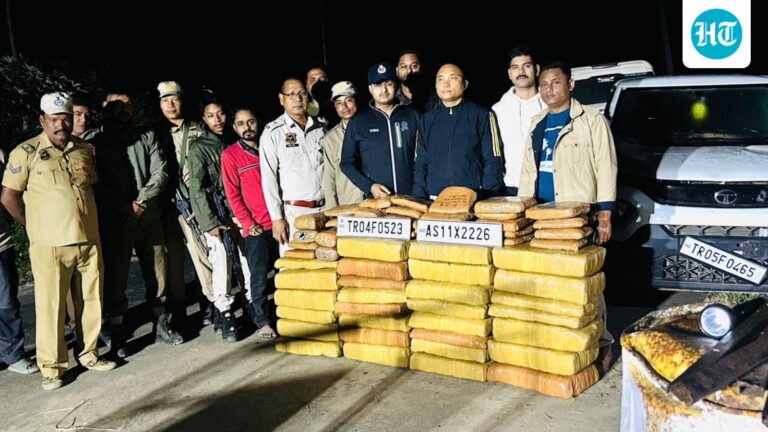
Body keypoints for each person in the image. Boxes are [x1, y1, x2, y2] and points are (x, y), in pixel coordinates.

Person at [1, 92, 116, 391]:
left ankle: (89, 353)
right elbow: (9, 197)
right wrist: (32, 225)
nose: (60, 125)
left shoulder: (84, 149)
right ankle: (52, 368)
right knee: (51, 307)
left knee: (91, 300)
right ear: (43, 120)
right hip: (50, 244)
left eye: (65, 118)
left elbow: (91, 188)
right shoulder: (24, 152)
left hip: (88, 239)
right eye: (54, 119)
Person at [91, 89, 183, 357]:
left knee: (158, 272)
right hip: (116, 221)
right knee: (116, 278)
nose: (124, 109)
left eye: (128, 105)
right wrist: (124, 206)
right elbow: (95, 183)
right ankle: (117, 332)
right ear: (105, 107)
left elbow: (160, 170)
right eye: (117, 105)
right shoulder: (95, 142)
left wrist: (141, 200)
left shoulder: (146, 136)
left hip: (148, 216)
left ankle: (162, 324)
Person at [517, 60, 617, 245]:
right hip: (539, 213)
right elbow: (527, 170)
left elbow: (606, 167)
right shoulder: (536, 123)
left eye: (556, 82)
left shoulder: (592, 120)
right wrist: (522, 209)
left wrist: (605, 213)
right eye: (544, 84)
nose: (549, 89)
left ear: (570, 84)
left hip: (577, 215)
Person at [187, 94, 249, 342]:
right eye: (211, 116)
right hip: (216, 212)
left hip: (240, 211)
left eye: (221, 114)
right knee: (221, 262)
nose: (217, 120)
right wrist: (210, 222)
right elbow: (196, 188)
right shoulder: (199, 148)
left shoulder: (235, 141)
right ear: (204, 119)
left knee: (246, 260)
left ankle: (252, 304)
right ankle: (225, 313)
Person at [155, 81, 214, 326]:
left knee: (203, 254)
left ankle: (211, 302)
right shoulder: (155, 133)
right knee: (173, 261)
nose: (170, 105)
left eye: (174, 99)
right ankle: (178, 309)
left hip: (193, 202)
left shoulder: (199, 129)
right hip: (167, 205)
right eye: (164, 100)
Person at [221, 108, 280, 339]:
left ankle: (285, 314)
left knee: (284, 270)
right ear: (234, 127)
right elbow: (232, 194)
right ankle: (263, 321)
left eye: (251, 121)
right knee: (258, 276)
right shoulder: (230, 155)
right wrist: (247, 221)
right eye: (241, 123)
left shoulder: (270, 146)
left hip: (279, 220)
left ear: (259, 122)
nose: (247, 127)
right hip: (257, 226)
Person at [413, 63, 503, 199]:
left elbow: (493, 159)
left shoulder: (482, 115)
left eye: (453, 78)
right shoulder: (426, 120)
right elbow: (421, 162)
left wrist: (487, 195)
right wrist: (419, 197)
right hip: (435, 198)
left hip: (472, 197)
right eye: (440, 79)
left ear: (465, 84)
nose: (446, 84)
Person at [260, 78, 327, 255]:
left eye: (302, 94)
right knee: (296, 264)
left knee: (326, 262)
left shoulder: (321, 126)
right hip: (296, 213)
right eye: (291, 94)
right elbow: (268, 178)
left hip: (326, 209)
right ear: (281, 99)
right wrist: (277, 218)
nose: (297, 99)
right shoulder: (273, 132)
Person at [341, 63, 421, 198]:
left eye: (388, 83)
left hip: (412, 198)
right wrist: (369, 186)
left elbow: (426, 157)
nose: (384, 89)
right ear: (370, 89)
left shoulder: (413, 115)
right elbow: (346, 163)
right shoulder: (358, 122)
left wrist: (419, 190)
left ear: (396, 85)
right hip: (377, 201)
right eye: (378, 85)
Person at [0, 149, 38, 376]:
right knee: (5, 301)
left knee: (6, 301)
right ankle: (12, 354)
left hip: (2, 241)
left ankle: (13, 354)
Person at [492, 44, 546, 196]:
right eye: (515, 67)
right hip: (512, 187)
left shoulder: (550, 106)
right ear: (509, 73)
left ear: (536, 70)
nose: (521, 72)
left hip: (547, 185)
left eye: (526, 66)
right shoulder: (497, 110)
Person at [321, 81, 364, 208]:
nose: (344, 106)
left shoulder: (372, 128)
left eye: (349, 100)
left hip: (374, 201)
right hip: (347, 205)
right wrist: (332, 210)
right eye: (339, 103)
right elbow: (329, 177)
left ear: (356, 100)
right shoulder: (331, 138)